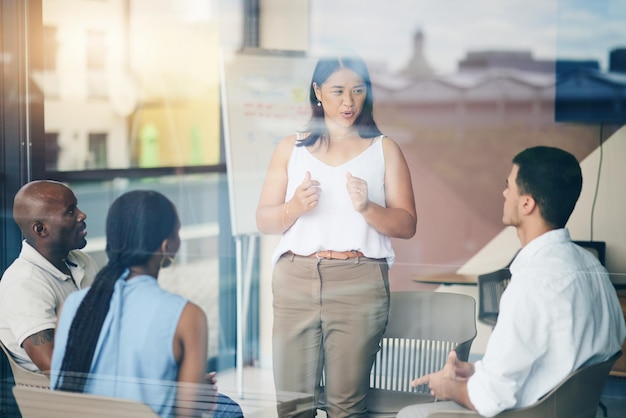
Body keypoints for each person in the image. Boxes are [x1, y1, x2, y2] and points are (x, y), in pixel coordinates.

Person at [397, 146, 626, 418]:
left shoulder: (531, 283)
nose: (504, 193)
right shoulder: (593, 268)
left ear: (527, 203)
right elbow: (563, 362)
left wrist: (447, 387)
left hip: (525, 413)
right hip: (566, 410)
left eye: (509, 186)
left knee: (410, 414)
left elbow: (490, 399)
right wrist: (476, 371)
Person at [256, 54, 417, 417]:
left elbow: (407, 224)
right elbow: (264, 220)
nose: (349, 102)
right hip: (295, 278)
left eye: (358, 91)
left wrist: (368, 209)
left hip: (358, 279)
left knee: (347, 406)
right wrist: (293, 207)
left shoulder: (384, 149)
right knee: (293, 405)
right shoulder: (290, 148)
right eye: (339, 91)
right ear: (317, 91)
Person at [50, 190, 242, 418]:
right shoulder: (187, 316)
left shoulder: (73, 305)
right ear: (166, 246)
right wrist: (198, 394)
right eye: (177, 231)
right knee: (229, 410)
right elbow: (187, 413)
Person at [0, 180, 98, 373]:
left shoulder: (81, 261)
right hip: (65, 398)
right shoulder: (23, 284)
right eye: (70, 211)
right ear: (40, 229)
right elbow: (55, 367)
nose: (82, 215)